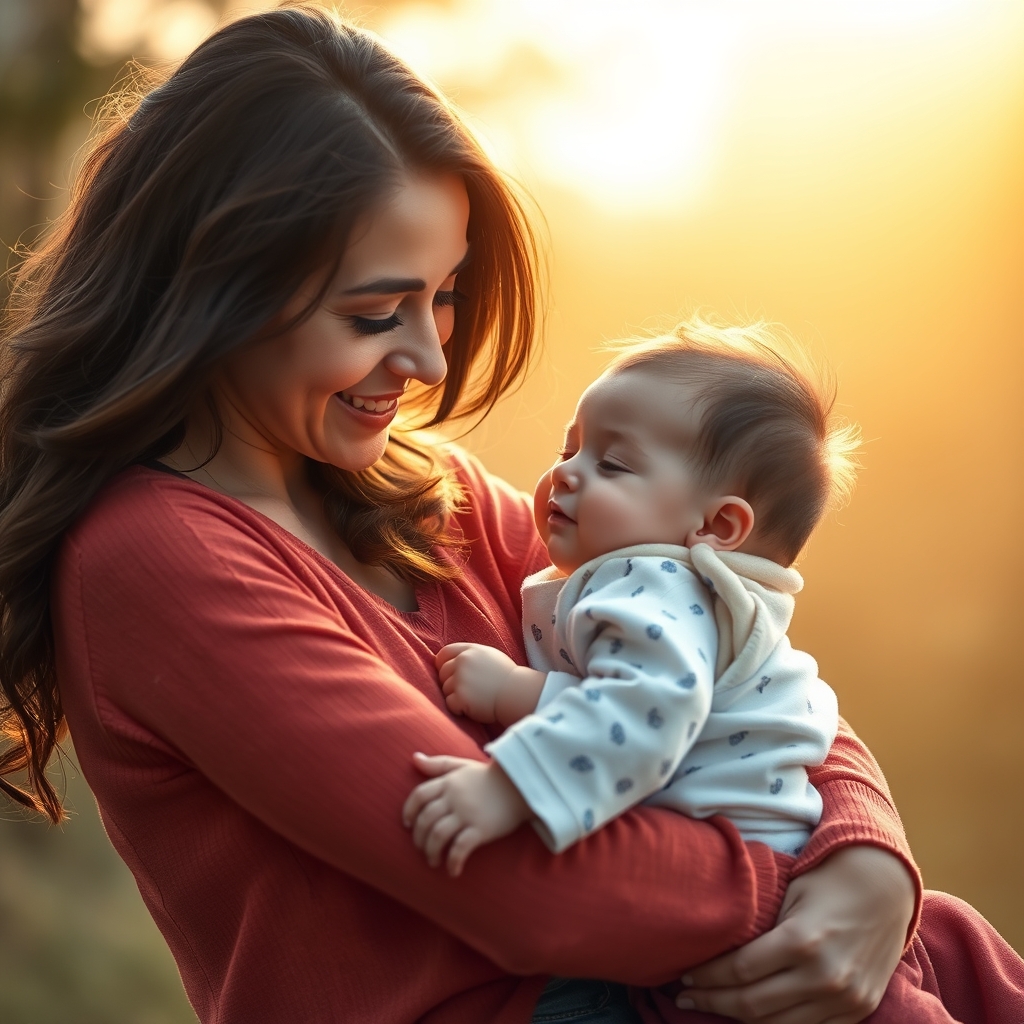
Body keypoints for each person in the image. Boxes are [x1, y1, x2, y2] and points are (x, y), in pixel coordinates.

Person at [0, 6, 1017, 1024]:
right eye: (373, 313)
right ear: (214, 283)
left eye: (443, 295)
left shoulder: (438, 494)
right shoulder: (154, 560)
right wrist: (791, 884)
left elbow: (733, 672)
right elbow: (527, 884)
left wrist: (865, 854)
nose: (430, 360)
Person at [403, 320, 849, 873]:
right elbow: (649, 701)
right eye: (570, 448)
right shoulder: (694, 597)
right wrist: (530, 692)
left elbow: (649, 710)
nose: (565, 473)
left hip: (726, 860)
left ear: (717, 524)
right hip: (746, 849)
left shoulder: (655, 582)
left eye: (611, 464)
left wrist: (509, 787)